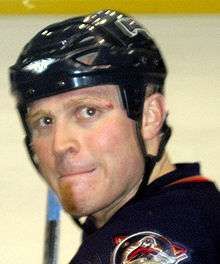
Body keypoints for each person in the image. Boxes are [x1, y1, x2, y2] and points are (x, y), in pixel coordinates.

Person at [9, 10, 220, 264]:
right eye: (45, 121)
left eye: (88, 111)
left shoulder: (150, 243)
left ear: (150, 116)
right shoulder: (194, 207)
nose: (60, 144)